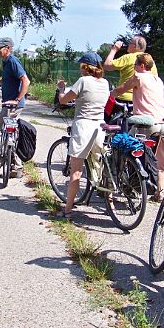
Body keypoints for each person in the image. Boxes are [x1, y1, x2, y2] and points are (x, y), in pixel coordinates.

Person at [56, 52, 110, 219]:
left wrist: (61, 88)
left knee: (76, 172)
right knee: (100, 168)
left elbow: (64, 100)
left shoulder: (83, 81)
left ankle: (68, 210)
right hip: (100, 127)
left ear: (86, 67)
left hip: (83, 127)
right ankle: (110, 204)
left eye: (81, 66)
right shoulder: (105, 83)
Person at [110, 53, 164, 200]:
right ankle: (159, 192)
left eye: (135, 65)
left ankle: (128, 184)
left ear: (142, 66)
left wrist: (109, 94)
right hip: (163, 123)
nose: (134, 68)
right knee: (158, 158)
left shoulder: (138, 78)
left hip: (146, 123)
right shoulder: (158, 80)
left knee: (125, 146)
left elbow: (121, 90)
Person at [0, 37, 30, 179]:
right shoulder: (6, 63)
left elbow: (25, 81)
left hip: (13, 106)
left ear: (8, 48)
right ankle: (14, 166)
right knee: (10, 133)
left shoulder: (13, 61)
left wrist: (17, 99)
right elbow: (6, 79)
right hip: (8, 105)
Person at [103, 35, 158, 104]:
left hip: (124, 99)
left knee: (106, 112)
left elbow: (107, 66)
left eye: (130, 43)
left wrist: (114, 49)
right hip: (143, 100)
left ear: (135, 46)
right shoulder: (150, 61)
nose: (128, 45)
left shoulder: (128, 57)